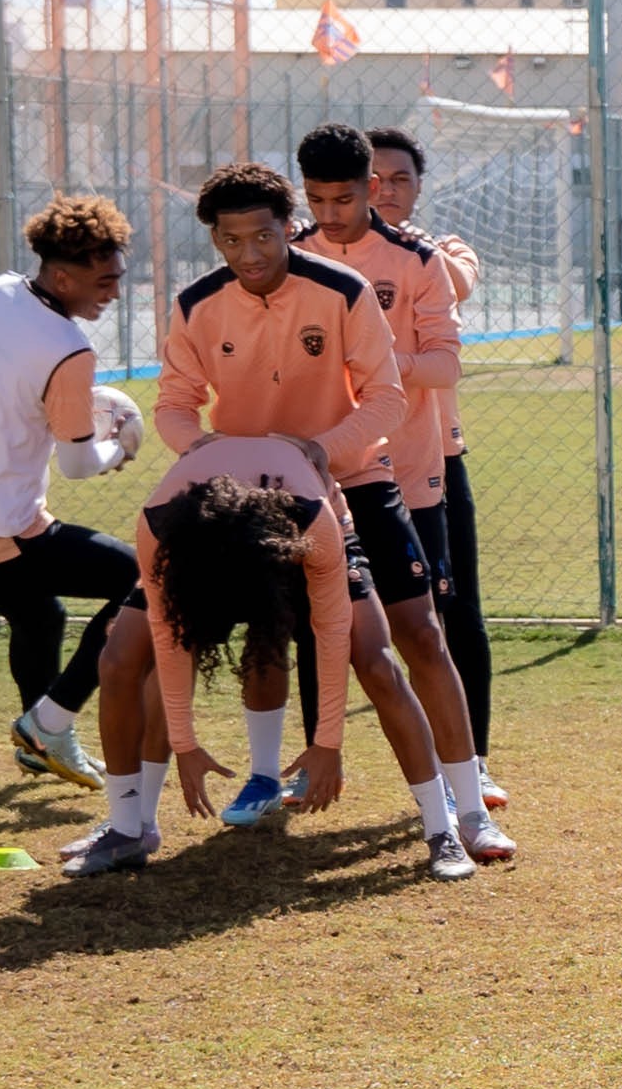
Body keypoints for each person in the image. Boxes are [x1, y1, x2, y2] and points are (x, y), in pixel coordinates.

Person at [151, 156, 483, 880]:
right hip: (249, 497)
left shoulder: (342, 289)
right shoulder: (195, 304)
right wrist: (203, 450)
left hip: (352, 478)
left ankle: (466, 811)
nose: (249, 256)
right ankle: (264, 778)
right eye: (231, 242)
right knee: (266, 636)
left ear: (285, 228)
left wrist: (320, 450)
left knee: (405, 642)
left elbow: (388, 400)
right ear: (214, 241)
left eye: (263, 238)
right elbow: (174, 403)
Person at [274, 122, 508, 859]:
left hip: (409, 465)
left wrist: (379, 359)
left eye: (346, 196)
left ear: (376, 189)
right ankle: (312, 761)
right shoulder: (290, 256)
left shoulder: (419, 259)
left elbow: (445, 366)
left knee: (431, 625)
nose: (331, 211)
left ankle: (464, 777)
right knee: (318, 620)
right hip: (318, 472)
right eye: (317, 198)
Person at [0, 188, 143, 787]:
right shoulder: (70, 348)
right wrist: (121, 445)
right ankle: (49, 722)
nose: (114, 291)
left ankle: (41, 737)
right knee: (143, 582)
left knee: (39, 615)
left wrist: (55, 401)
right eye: (104, 280)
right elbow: (78, 466)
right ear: (63, 278)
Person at [59, 438, 357, 877]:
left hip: (281, 534)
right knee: (119, 658)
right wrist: (185, 744)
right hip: (197, 541)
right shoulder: (159, 524)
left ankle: (264, 777)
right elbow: (168, 637)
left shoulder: (313, 520)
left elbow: (333, 634)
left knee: (271, 634)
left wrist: (328, 742)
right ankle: (129, 827)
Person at [365, 125, 504, 812]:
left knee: (455, 613)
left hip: (434, 458)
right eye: (372, 180)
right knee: (321, 616)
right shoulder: (321, 253)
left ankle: (472, 760)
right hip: (346, 457)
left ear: (419, 189)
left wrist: (385, 246)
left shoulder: (440, 252)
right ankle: (302, 761)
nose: (385, 192)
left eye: (400, 181)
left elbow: (456, 282)